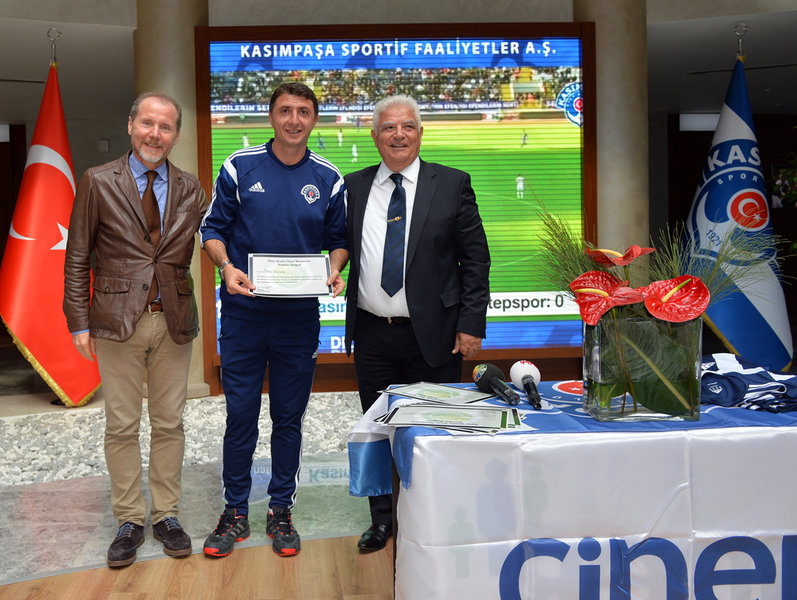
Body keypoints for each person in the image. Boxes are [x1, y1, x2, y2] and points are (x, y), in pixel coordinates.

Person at [199, 82, 348, 558]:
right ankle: (235, 511)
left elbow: (338, 240)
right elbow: (211, 230)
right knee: (240, 416)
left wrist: (334, 269)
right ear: (271, 116)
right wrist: (226, 267)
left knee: (288, 419)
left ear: (313, 120)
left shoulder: (328, 177)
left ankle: (281, 509)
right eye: (285, 110)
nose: (294, 120)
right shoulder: (239, 166)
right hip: (243, 317)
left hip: (298, 321)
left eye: (303, 111)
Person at [63, 92, 209, 568]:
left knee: (170, 423)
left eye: (165, 127)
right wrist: (79, 321)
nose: (155, 134)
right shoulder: (97, 181)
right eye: (147, 123)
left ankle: (166, 515)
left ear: (176, 135)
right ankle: (129, 519)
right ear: (130, 125)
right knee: (122, 425)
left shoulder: (191, 188)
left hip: (174, 322)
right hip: (114, 323)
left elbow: (219, 235)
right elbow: (77, 256)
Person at [344, 95, 490, 552]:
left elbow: (476, 260)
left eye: (407, 126)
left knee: (434, 432)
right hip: (372, 334)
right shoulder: (353, 186)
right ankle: (383, 520)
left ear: (420, 133)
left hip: (437, 336)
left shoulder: (452, 184)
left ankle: (432, 518)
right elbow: (336, 246)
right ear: (375, 136)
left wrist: (471, 323)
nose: (399, 135)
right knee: (378, 431)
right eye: (389, 127)